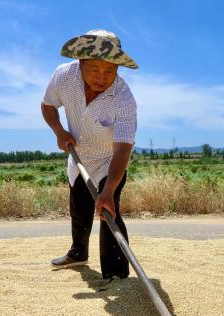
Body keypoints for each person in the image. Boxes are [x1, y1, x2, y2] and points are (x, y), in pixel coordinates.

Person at [41, 29, 138, 279]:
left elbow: (123, 148)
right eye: (94, 69)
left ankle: (116, 276)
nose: (101, 77)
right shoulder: (63, 77)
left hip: (110, 160)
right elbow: (48, 104)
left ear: (118, 68)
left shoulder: (124, 98)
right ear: (80, 62)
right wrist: (59, 131)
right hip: (79, 158)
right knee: (79, 209)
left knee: (108, 210)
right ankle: (78, 253)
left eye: (109, 70)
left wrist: (107, 191)